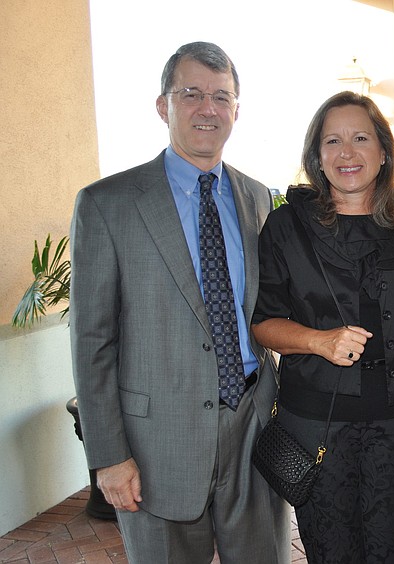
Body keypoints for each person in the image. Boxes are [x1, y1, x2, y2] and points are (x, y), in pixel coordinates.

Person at [69, 42, 289, 563]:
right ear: (163, 106)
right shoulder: (108, 204)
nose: (207, 108)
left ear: (237, 109)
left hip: (253, 428)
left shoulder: (258, 197)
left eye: (221, 96)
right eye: (190, 94)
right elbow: (92, 340)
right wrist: (109, 455)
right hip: (155, 445)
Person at [251, 91, 394, 563]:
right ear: (317, 156)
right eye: (332, 140)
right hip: (316, 422)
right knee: (330, 553)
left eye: (360, 138)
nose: (347, 152)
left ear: (383, 151)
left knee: (391, 551)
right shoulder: (285, 226)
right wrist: (318, 341)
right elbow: (262, 323)